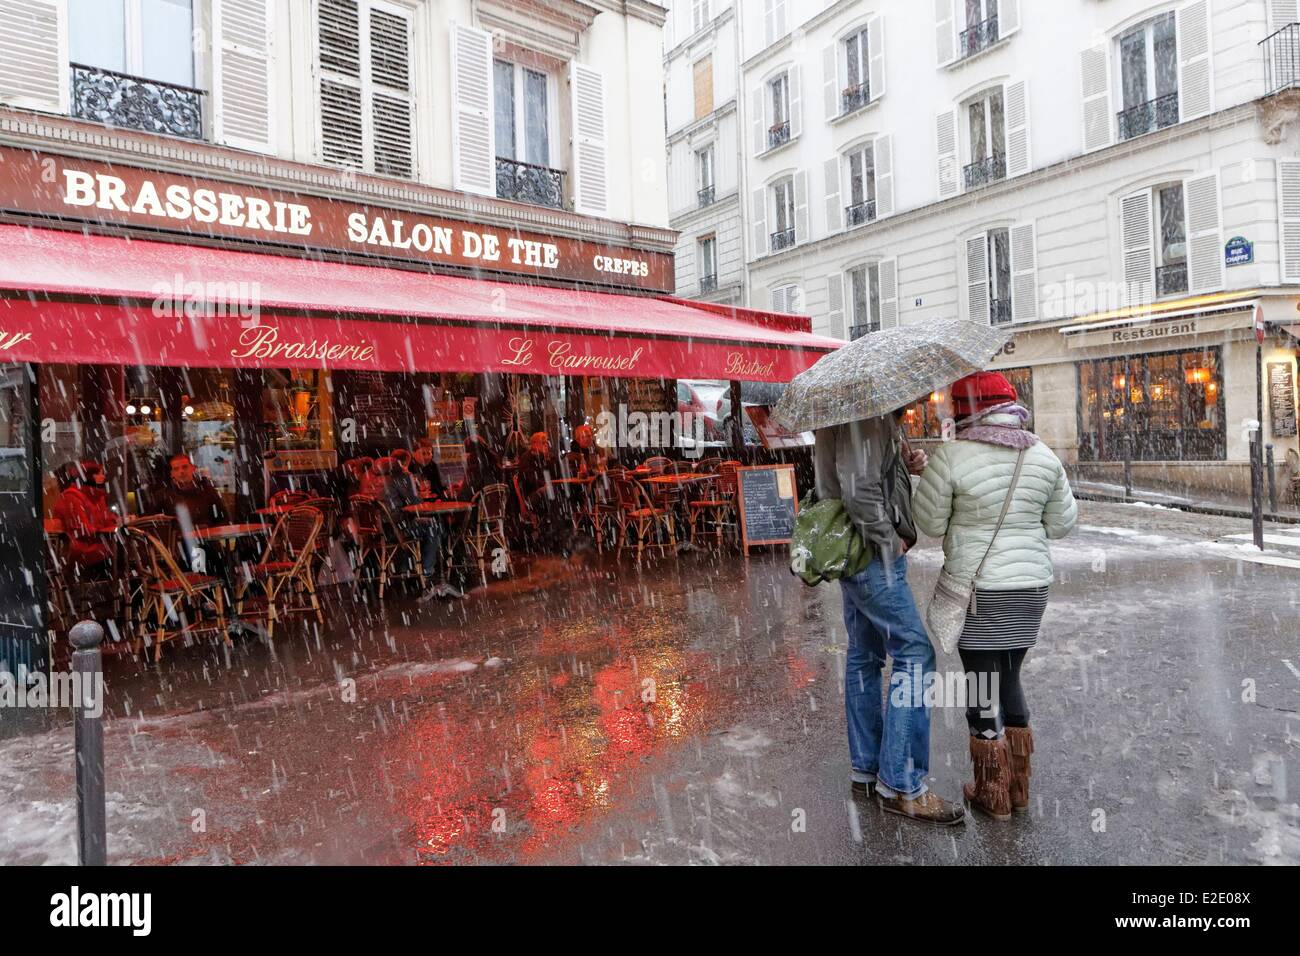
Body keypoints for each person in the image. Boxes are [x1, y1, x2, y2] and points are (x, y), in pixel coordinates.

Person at [913, 371, 1077, 819]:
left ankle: (993, 792)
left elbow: (929, 524)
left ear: (964, 411)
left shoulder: (951, 456)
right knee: (1010, 678)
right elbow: (1062, 525)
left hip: (981, 588)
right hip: (1030, 589)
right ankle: (1018, 788)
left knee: (982, 685)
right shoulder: (1043, 455)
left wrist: (929, 480)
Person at [815, 407, 965, 826]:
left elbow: (862, 476)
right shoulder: (866, 416)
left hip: (850, 547)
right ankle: (901, 784)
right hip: (869, 553)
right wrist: (888, 541)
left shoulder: (863, 415)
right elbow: (859, 490)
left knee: (865, 654)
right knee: (916, 653)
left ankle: (867, 769)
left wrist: (903, 461)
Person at [376, 456, 459, 600]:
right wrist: (413, 484)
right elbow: (415, 502)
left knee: (434, 525)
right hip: (400, 529)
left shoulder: (382, 482)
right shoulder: (401, 479)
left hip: (386, 530)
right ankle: (428, 571)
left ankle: (411, 568)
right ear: (399, 466)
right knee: (434, 526)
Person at [53, 460, 116, 575]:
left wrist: (118, 522)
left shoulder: (98, 497)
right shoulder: (71, 497)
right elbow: (81, 529)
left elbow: (107, 520)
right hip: (80, 551)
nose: (103, 476)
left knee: (125, 548)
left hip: (97, 546)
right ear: (89, 476)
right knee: (121, 550)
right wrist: (108, 531)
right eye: (100, 473)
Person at [159, 453, 228, 529]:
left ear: (193, 468)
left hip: (207, 537)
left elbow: (223, 518)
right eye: (176, 469)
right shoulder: (164, 495)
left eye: (185, 467)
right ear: (172, 473)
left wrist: (210, 532)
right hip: (179, 539)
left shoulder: (207, 490)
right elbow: (159, 524)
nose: (181, 472)